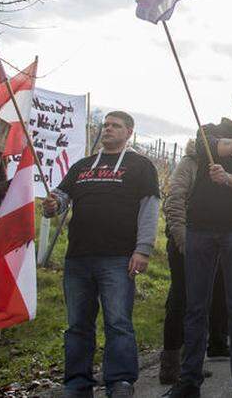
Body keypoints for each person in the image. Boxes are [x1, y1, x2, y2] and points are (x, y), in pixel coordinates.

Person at [43, 111, 159, 398]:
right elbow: (61, 196)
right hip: (78, 257)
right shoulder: (82, 166)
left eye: (115, 126)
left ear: (129, 132)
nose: (107, 129)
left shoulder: (141, 166)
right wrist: (52, 205)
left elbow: (150, 208)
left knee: (118, 321)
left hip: (118, 257)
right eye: (105, 125)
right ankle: (77, 383)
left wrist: (143, 249)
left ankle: (119, 381)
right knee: (78, 325)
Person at [169, 86, 232, 398]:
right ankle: (189, 382)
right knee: (195, 307)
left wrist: (229, 179)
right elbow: (206, 147)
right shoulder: (209, 130)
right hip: (199, 228)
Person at [159, 140, 228, 385]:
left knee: (201, 302)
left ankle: (192, 363)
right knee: (180, 299)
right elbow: (175, 200)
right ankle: (170, 365)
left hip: (213, 242)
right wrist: (183, 240)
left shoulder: (224, 165)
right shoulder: (190, 164)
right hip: (187, 242)